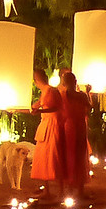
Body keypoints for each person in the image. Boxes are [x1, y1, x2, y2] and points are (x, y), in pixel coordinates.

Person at [30, 68, 65, 198]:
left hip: (53, 125)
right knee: (43, 157)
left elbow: (57, 107)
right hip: (45, 125)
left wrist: (40, 111)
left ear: (36, 80)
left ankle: (61, 190)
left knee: (55, 156)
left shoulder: (52, 91)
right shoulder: (44, 92)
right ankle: (47, 190)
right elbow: (38, 107)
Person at [60, 70, 91, 197]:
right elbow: (88, 109)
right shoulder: (82, 96)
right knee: (80, 155)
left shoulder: (62, 95)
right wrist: (88, 93)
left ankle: (69, 187)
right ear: (75, 82)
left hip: (69, 126)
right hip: (79, 125)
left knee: (69, 154)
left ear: (64, 83)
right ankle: (79, 189)